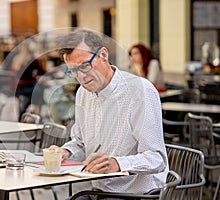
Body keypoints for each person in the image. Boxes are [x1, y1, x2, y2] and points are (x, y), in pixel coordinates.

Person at [50, 29, 168, 197]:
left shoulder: (140, 91)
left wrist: (117, 164)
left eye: (85, 66)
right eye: (73, 71)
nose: (81, 77)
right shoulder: (83, 94)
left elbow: (157, 158)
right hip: (100, 191)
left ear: (103, 55)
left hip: (138, 194)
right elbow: (80, 142)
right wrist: (64, 152)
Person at [10, 40, 47, 120]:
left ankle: (23, 113)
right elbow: (43, 72)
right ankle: (37, 114)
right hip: (28, 87)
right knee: (39, 89)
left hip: (17, 89)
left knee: (37, 89)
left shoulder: (16, 59)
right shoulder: (32, 60)